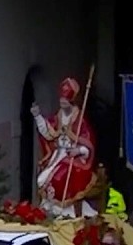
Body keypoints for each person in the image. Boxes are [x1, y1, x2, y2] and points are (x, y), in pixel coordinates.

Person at [31, 77, 97, 218]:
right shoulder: (58, 117)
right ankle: (49, 207)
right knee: (42, 179)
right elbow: (48, 133)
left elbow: (88, 145)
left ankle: (65, 211)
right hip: (58, 155)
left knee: (58, 179)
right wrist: (37, 116)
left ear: (70, 101)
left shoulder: (79, 120)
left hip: (73, 159)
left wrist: (78, 150)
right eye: (61, 101)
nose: (62, 104)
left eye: (65, 102)